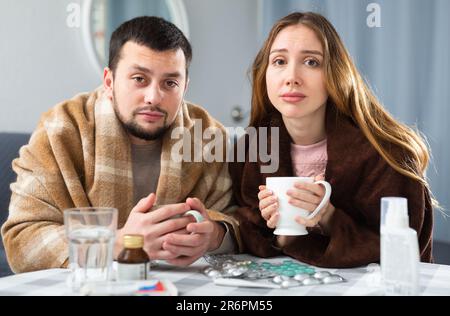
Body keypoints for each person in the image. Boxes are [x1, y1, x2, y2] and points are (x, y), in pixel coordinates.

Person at [2, 16, 240, 273]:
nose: (153, 97)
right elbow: (22, 240)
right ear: (109, 81)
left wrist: (215, 235)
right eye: (139, 79)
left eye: (170, 83)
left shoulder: (207, 135)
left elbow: (236, 218)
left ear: (184, 88)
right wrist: (120, 243)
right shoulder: (60, 129)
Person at [229, 12, 434, 268]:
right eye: (279, 61)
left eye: (311, 62)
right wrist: (279, 232)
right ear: (264, 74)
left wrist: (328, 217)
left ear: (335, 74)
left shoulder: (386, 156)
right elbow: (244, 227)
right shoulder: (250, 150)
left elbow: (400, 251)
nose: (291, 76)